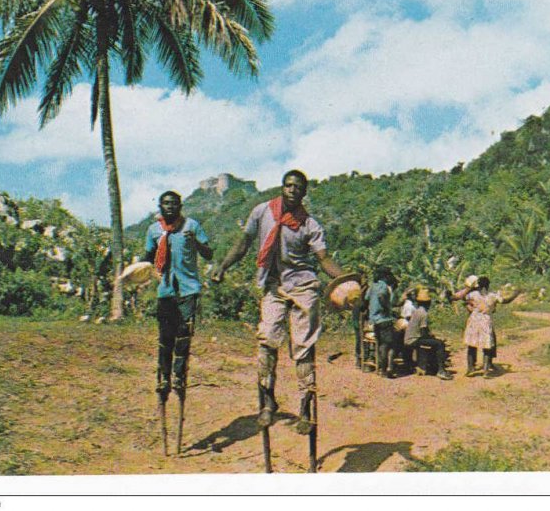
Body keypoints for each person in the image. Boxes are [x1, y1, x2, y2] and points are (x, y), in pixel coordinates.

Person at [212, 170, 344, 434]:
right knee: (268, 340)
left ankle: (305, 406)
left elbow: (324, 259)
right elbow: (244, 243)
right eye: (288, 185)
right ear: (282, 187)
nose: (292, 190)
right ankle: (268, 401)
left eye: (298, 187)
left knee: (303, 348)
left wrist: (347, 279)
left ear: (304, 192)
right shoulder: (262, 212)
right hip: (274, 284)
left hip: (303, 285)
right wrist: (223, 265)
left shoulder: (310, 225)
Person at [143, 190, 213, 399]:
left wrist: (196, 242)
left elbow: (209, 253)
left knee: (184, 335)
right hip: (165, 290)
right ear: (160, 207)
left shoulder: (191, 226)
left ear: (180, 206)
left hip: (188, 289)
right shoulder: (154, 230)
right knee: (165, 336)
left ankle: (179, 376)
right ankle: (163, 377)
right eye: (166, 203)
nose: (170, 207)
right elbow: (147, 256)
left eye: (174, 203)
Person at [451, 275, 501, 378]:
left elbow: (456, 297)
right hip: (486, 322)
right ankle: (486, 371)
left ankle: (470, 369)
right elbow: (504, 300)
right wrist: (515, 294)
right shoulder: (492, 295)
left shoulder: (472, 294)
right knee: (487, 346)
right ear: (488, 285)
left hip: (474, 321)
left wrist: (468, 290)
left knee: (471, 345)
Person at [404, 288, 453, 381]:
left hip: (410, 338)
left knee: (435, 342)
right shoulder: (423, 313)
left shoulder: (417, 311)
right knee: (440, 344)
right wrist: (434, 338)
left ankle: (434, 366)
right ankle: (441, 370)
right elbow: (423, 333)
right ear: (428, 303)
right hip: (414, 339)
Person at [365, 266, 398, 378]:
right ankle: (386, 369)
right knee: (389, 345)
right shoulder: (384, 286)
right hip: (384, 319)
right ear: (386, 276)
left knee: (381, 344)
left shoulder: (372, 286)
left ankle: (381, 367)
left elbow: (366, 299)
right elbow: (381, 296)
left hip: (374, 320)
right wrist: (386, 308)